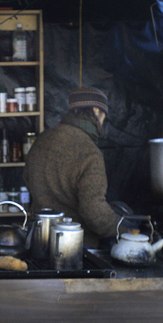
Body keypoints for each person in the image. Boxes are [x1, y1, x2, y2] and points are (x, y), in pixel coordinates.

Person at [23, 87, 121, 248]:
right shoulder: (89, 152)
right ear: (96, 111)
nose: (103, 122)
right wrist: (124, 232)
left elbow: (27, 180)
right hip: (75, 247)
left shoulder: (42, 140)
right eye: (103, 116)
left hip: (38, 241)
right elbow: (94, 211)